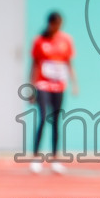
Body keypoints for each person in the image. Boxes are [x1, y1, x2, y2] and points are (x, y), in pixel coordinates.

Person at [28, 11, 77, 173]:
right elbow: (34, 64)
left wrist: (74, 83)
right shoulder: (39, 41)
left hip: (59, 86)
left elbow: (69, 63)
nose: (58, 27)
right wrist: (31, 87)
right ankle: (36, 158)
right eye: (56, 24)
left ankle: (55, 159)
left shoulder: (66, 40)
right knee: (43, 117)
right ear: (50, 23)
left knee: (56, 121)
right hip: (42, 85)